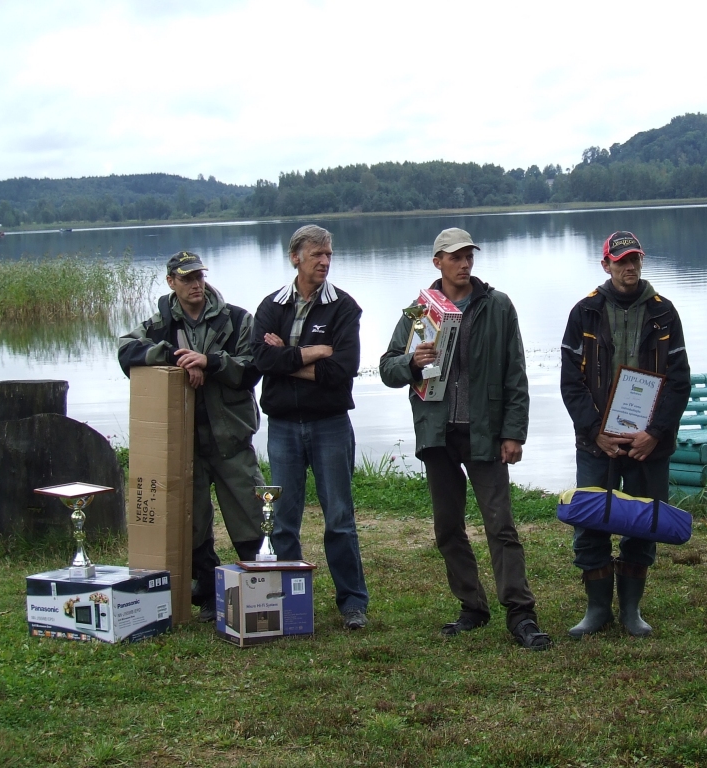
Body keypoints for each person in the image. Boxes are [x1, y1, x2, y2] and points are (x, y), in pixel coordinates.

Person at [379, 227, 550, 650]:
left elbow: (516, 372)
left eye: (468, 255)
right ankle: (472, 607)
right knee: (448, 528)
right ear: (437, 261)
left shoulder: (498, 305)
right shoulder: (420, 311)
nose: (464, 263)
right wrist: (410, 363)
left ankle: (521, 614)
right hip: (437, 434)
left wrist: (513, 432)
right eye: (455, 257)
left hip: (485, 433)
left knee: (502, 526)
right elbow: (386, 368)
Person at [118, 250, 265, 622]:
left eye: (199, 276)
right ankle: (206, 589)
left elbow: (251, 369)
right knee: (194, 520)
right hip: (185, 445)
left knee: (250, 511)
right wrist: (173, 356)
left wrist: (210, 363)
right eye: (187, 278)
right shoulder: (158, 323)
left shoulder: (237, 318)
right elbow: (124, 350)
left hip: (231, 437)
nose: (196, 284)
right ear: (172, 283)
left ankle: (259, 585)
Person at [560, 231, 692, 637]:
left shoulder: (665, 313)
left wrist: (654, 433)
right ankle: (596, 610)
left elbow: (679, 381)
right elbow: (570, 383)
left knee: (644, 523)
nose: (629, 267)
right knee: (591, 523)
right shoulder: (584, 312)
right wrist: (595, 431)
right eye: (620, 261)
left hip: (647, 446)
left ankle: (631, 611)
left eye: (634, 259)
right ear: (606, 265)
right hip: (596, 443)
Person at [251, 225, 369, 630]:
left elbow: (342, 370)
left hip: (330, 424)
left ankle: (353, 604)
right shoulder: (271, 305)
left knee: (339, 517)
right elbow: (258, 362)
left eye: (329, 254)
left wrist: (284, 357)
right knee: (283, 518)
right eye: (317, 254)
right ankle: (287, 603)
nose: (324, 261)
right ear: (295, 258)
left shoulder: (344, 308)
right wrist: (310, 353)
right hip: (282, 425)